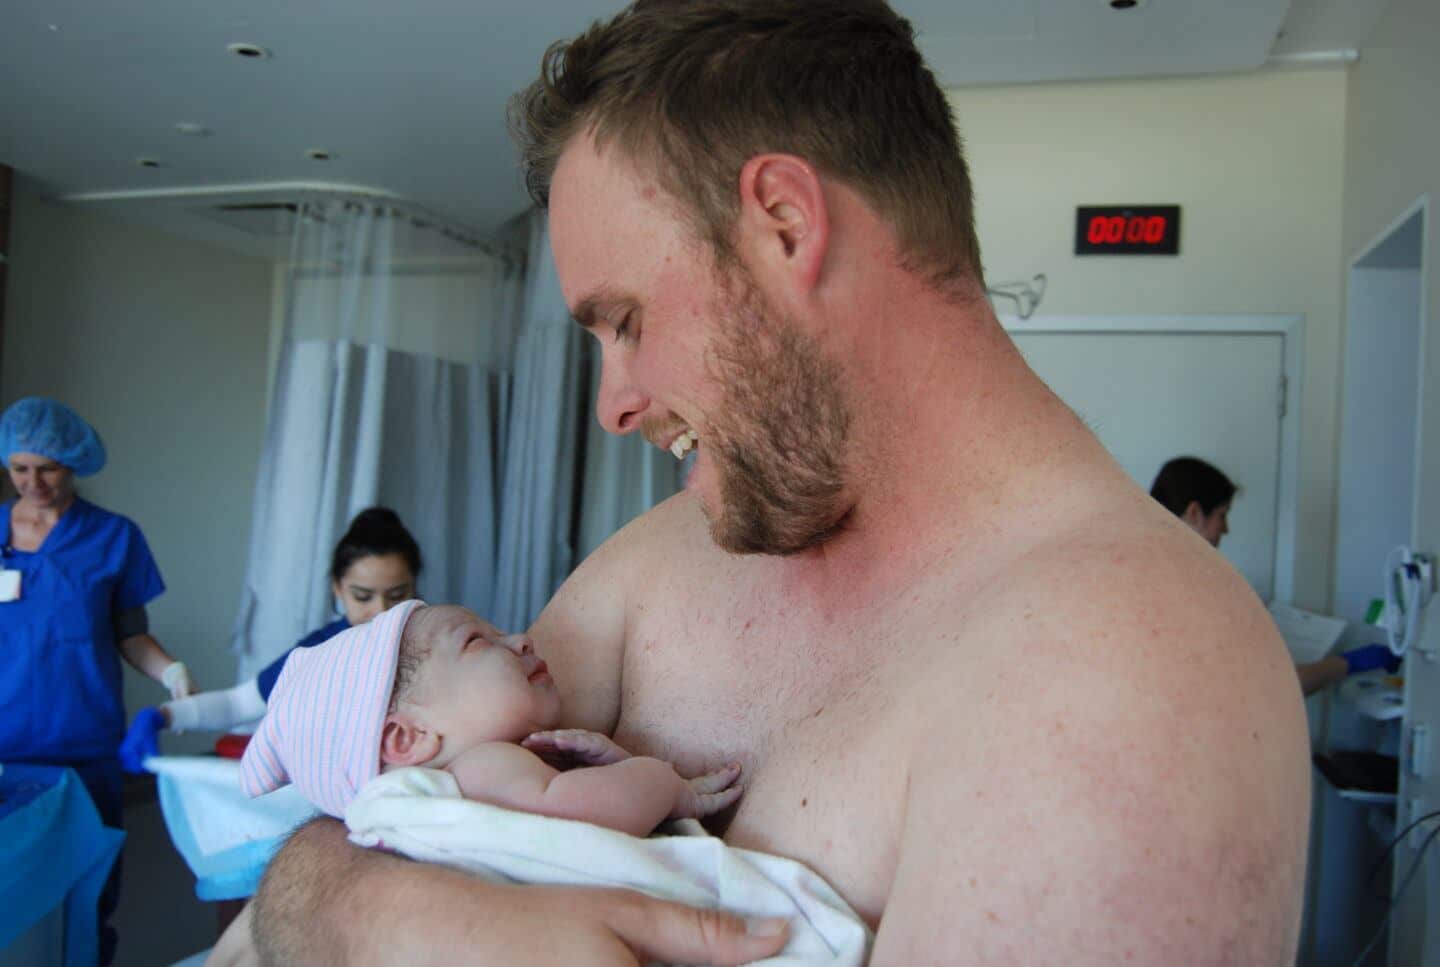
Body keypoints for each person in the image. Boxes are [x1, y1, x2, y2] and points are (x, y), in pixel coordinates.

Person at [252, 3, 1312, 963]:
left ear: (787, 225)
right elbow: (365, 819)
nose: (612, 406)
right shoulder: (669, 557)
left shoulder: (1126, 672)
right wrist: (391, 913)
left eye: (626, 322)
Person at [237, 599, 866, 962]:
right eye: (478, 640)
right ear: (407, 738)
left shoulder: (462, 786)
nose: (520, 638)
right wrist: (661, 781)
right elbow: (594, 813)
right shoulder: (480, 765)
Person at [0, 396, 195, 965]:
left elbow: (130, 634)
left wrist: (171, 672)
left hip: (83, 746)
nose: (33, 482)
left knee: (88, 893)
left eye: (49, 468)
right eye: (19, 468)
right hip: (6, 750)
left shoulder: (114, 537)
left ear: (75, 465)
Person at [119, 507, 421, 764]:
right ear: (337, 588)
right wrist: (164, 716)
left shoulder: (438, 641)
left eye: (397, 595)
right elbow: (237, 704)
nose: (383, 611)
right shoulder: (320, 650)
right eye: (363, 596)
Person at [1150, 456, 1400, 696]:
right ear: (1194, 512)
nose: (1226, 529)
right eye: (1222, 515)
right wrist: (1348, 663)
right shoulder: (1192, 591)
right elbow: (1267, 685)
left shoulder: (1151, 573)